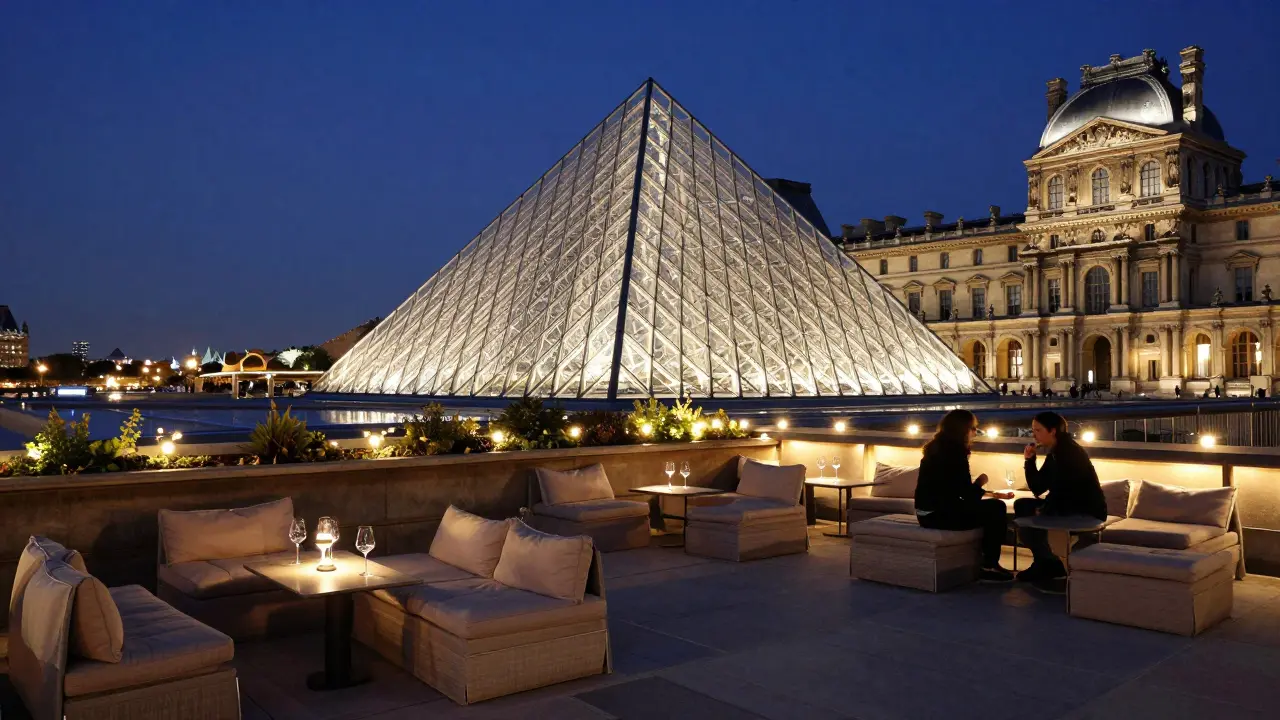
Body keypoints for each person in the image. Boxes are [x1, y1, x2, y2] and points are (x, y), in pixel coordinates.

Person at [914, 409, 1014, 583]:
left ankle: (985, 560)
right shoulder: (955, 454)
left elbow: (952, 489)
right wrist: (981, 483)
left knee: (990, 507)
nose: (975, 432)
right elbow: (967, 495)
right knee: (996, 509)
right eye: (973, 428)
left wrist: (983, 492)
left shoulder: (935, 450)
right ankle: (989, 564)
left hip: (925, 514)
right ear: (963, 430)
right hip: (939, 516)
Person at [1017, 411, 1108, 594]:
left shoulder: (1067, 453)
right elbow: (1038, 487)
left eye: (1038, 430)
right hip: (1069, 505)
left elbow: (1066, 488)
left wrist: (1045, 508)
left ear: (1052, 431)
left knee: (1025, 510)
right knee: (1022, 506)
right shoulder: (1057, 452)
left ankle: (1047, 562)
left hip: (1082, 509)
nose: (1034, 434)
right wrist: (1030, 460)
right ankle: (1046, 562)